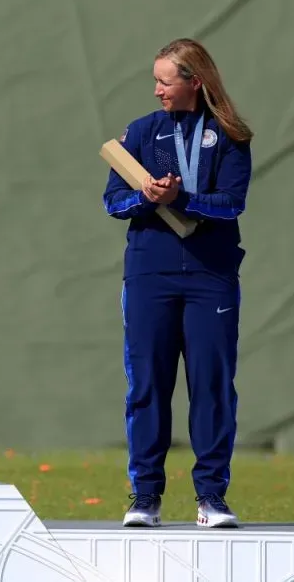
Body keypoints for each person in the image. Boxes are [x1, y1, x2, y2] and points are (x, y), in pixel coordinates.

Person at [102, 38, 252, 528]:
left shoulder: (230, 135)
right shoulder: (141, 132)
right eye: (156, 80)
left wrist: (181, 197)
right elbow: (112, 202)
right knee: (147, 386)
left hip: (211, 276)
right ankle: (145, 497)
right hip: (150, 275)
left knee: (211, 386)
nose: (157, 90)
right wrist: (146, 197)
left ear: (195, 82)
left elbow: (231, 203)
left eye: (165, 81)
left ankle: (212, 498)